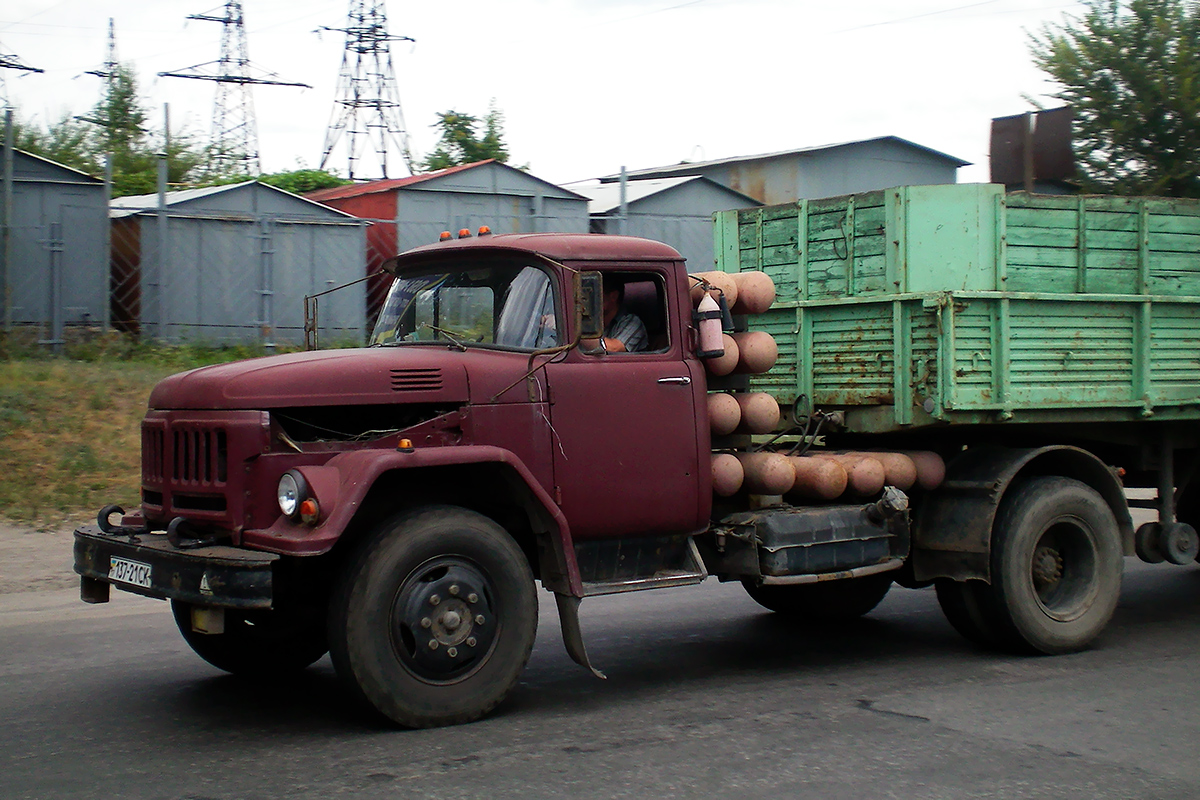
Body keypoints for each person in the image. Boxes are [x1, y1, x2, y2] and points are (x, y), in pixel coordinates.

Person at [598, 280, 648, 353]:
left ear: (614, 296)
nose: (590, 300)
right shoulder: (594, 322)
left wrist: (580, 336)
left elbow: (615, 348)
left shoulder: (633, 322)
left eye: (595, 294)